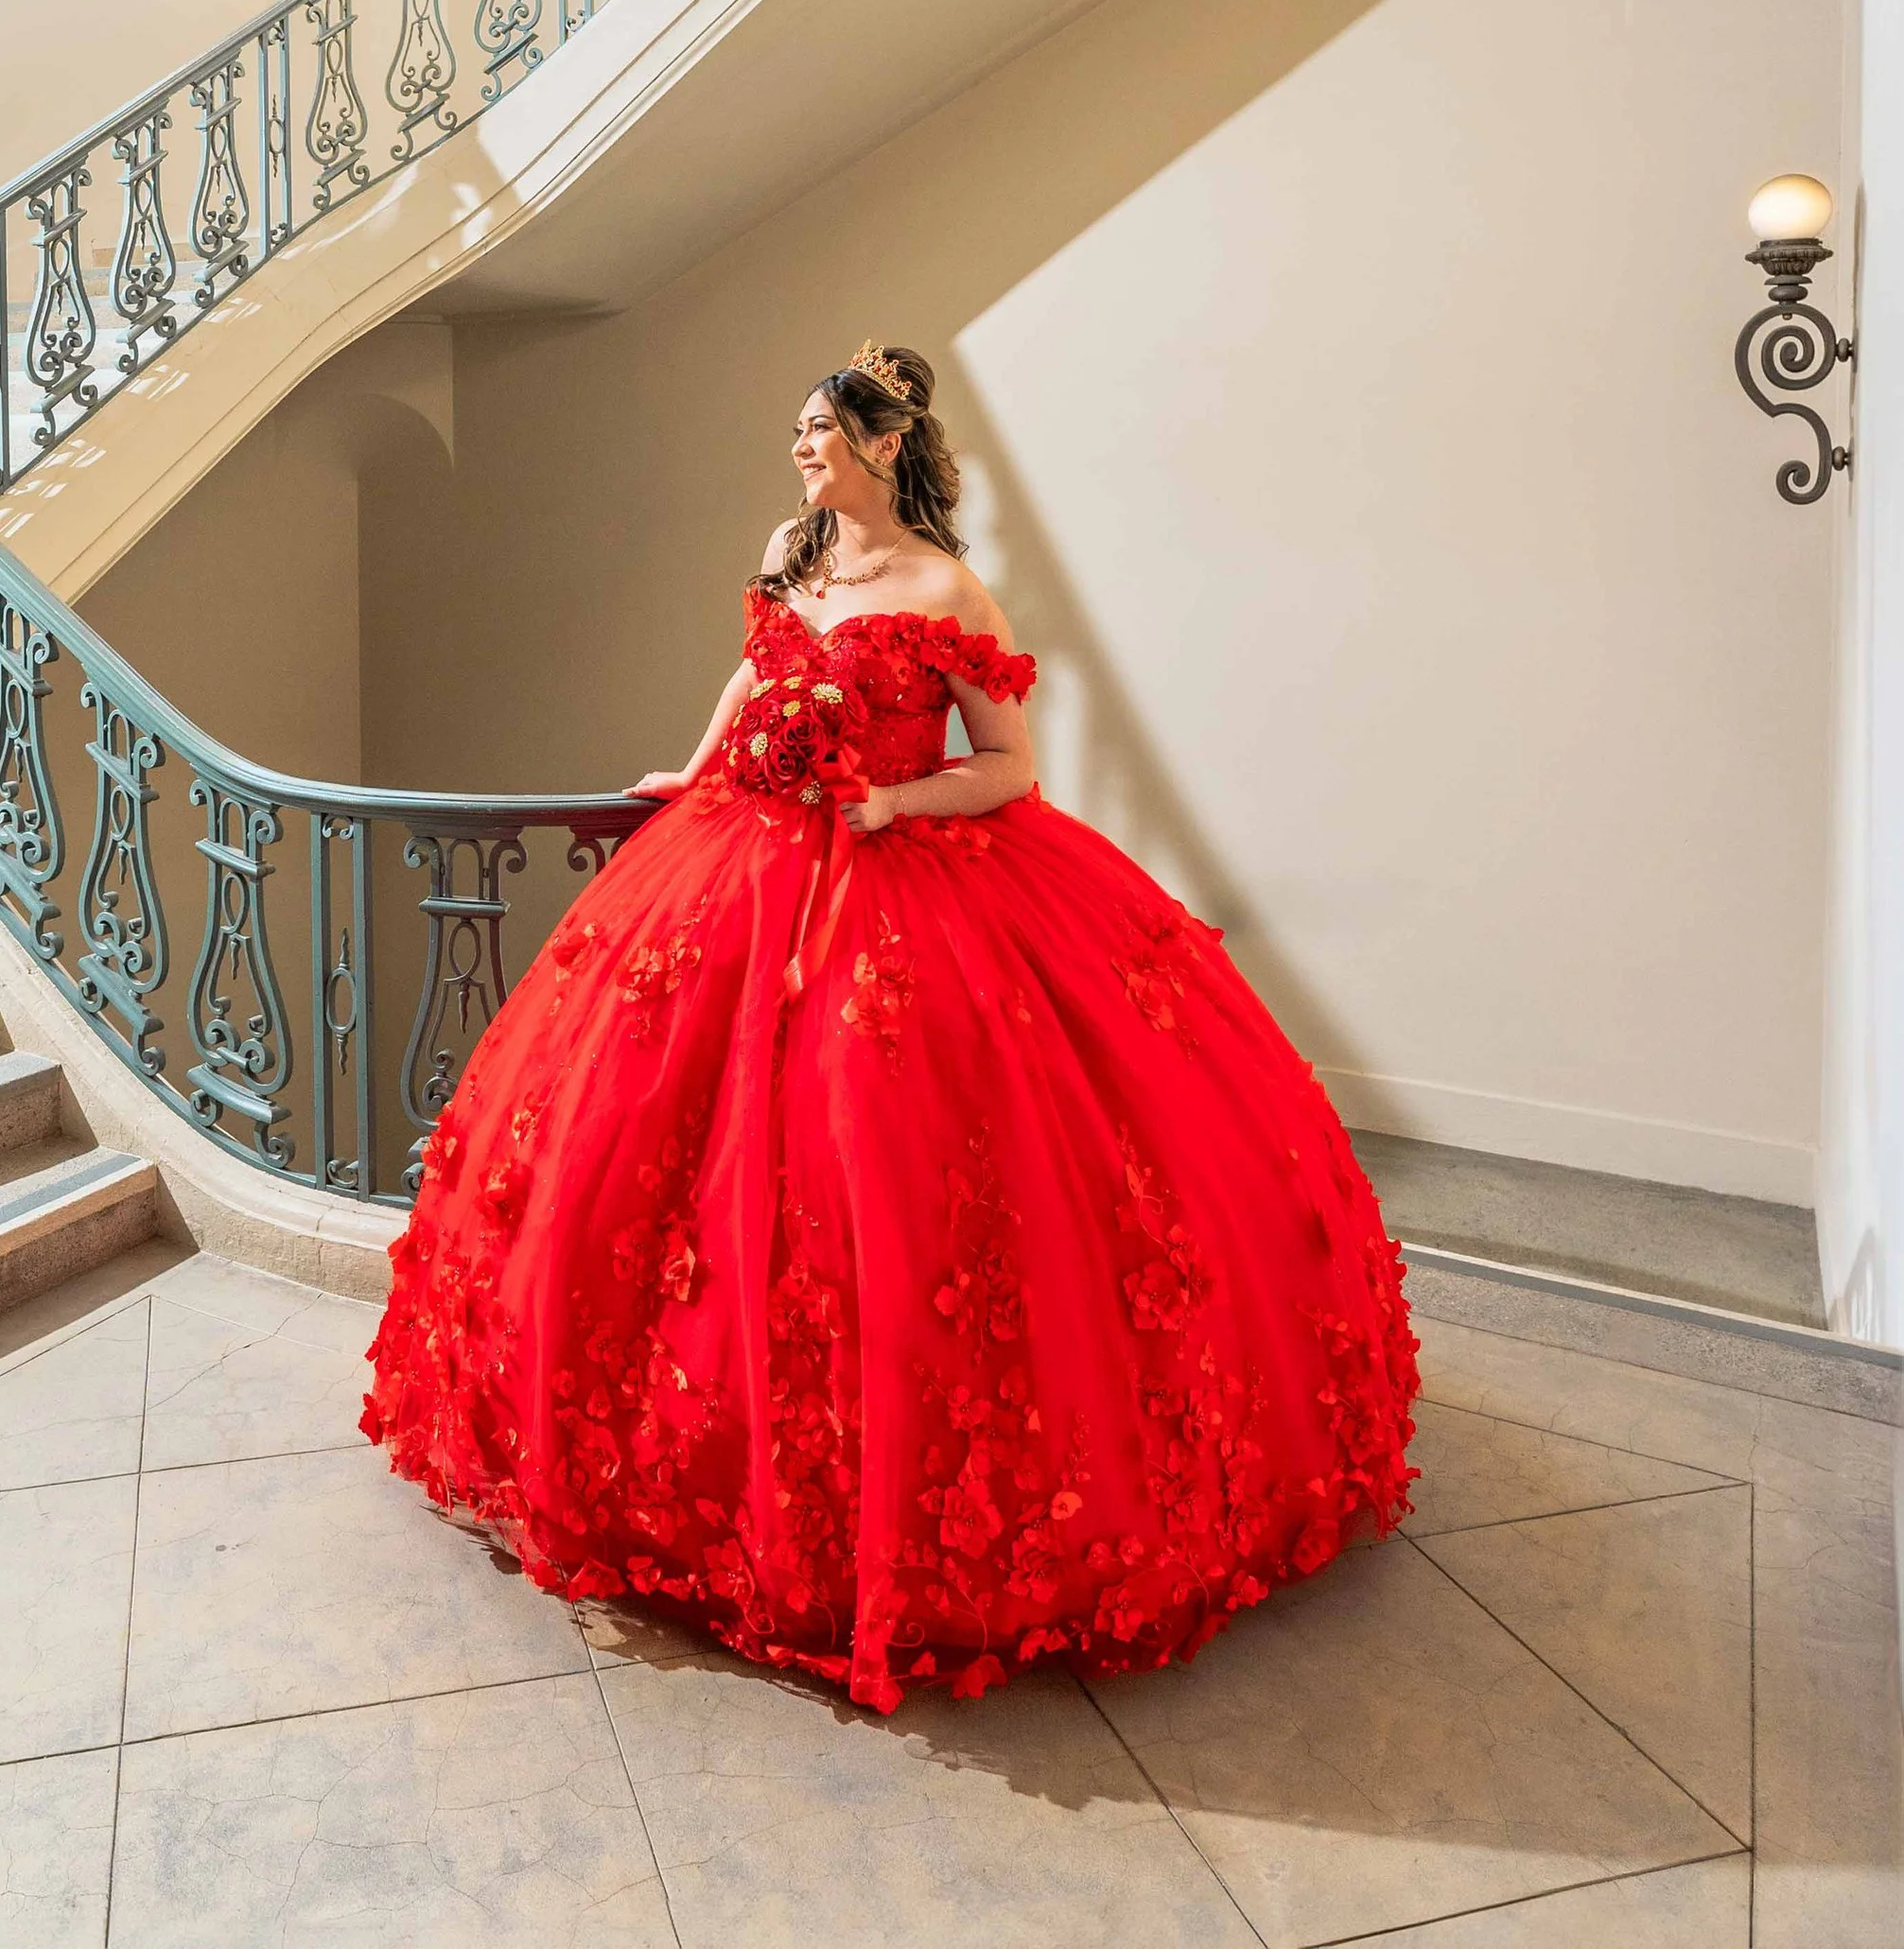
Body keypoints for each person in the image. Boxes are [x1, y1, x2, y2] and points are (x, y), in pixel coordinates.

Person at [361, 341, 1418, 1713]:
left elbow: (1010, 766)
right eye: (800, 427)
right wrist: (697, 766)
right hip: (744, 857)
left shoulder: (944, 586)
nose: (801, 447)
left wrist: (892, 808)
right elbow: (754, 675)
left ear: (877, 442)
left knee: (906, 1163)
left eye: (820, 429)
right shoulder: (790, 552)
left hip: (899, 875)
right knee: (663, 1146)